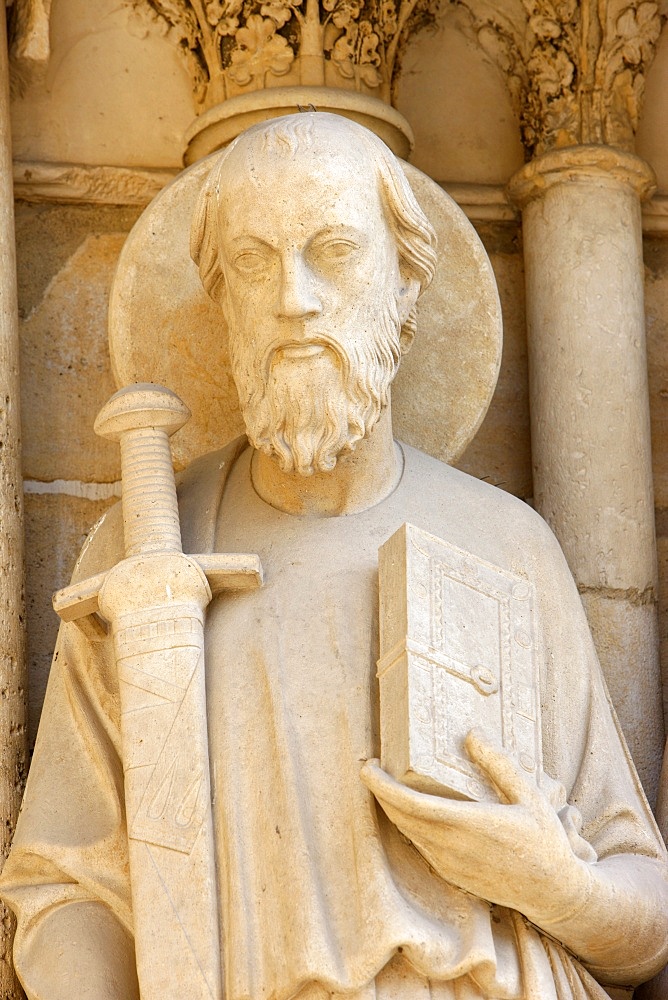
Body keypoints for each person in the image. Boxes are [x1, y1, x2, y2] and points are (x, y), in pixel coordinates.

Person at [1, 112, 667, 1000]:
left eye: (335, 250)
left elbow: (645, 923)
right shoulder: (147, 551)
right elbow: (64, 893)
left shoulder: (508, 546)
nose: (294, 297)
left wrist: (551, 880)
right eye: (253, 260)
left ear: (406, 285)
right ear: (220, 297)